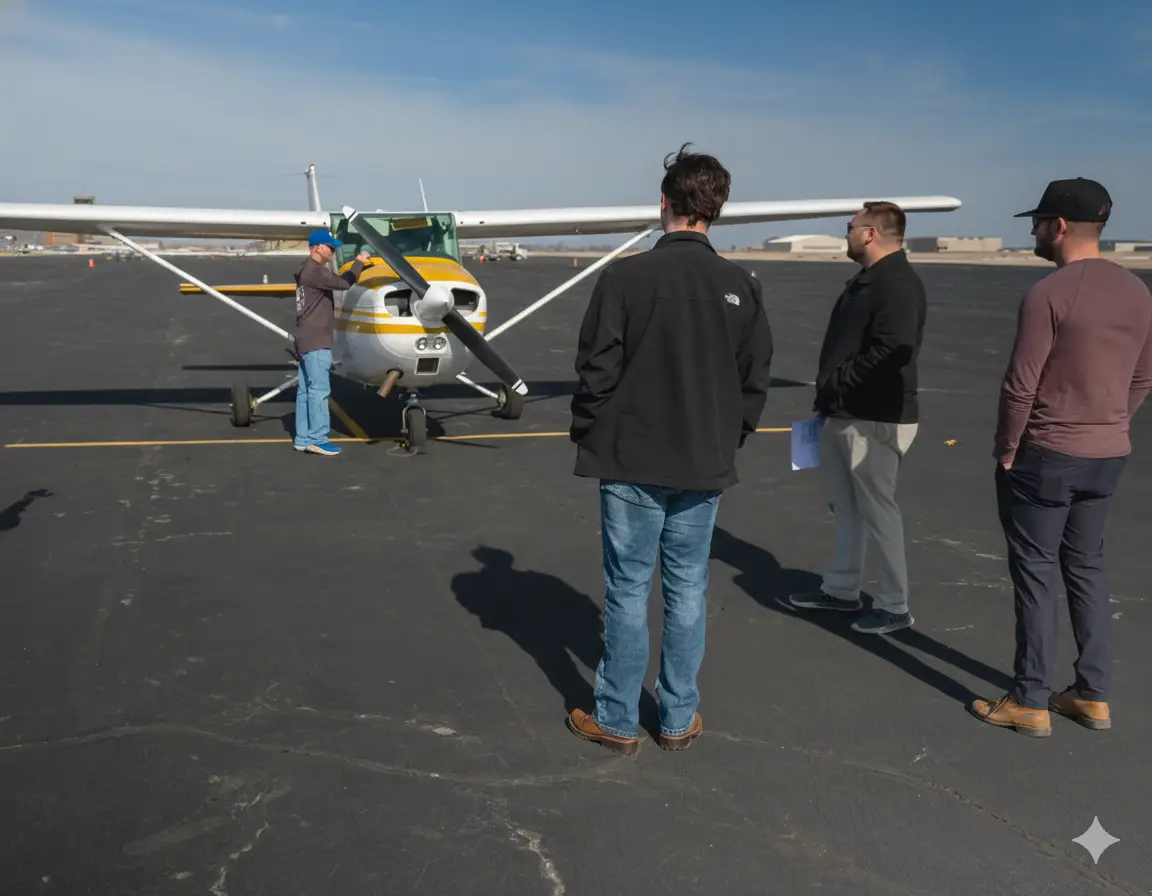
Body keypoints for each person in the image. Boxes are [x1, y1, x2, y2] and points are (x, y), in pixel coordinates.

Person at [565, 143, 775, 754]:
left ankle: (617, 719)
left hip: (632, 459)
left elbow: (596, 369)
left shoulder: (625, 278)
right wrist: (728, 438)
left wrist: (590, 430)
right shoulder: (741, 285)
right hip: (704, 464)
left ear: (665, 203)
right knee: (686, 589)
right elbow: (754, 378)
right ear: (716, 209)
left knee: (629, 589)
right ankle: (678, 717)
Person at [969, 178, 1152, 737]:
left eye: (1038, 222)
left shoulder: (1049, 293)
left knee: (1036, 573)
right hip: (1108, 453)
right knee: (1087, 568)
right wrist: (1112, 421)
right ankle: (1092, 694)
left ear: (1061, 226)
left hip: (1047, 455)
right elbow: (1143, 376)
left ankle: (1030, 699)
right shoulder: (1138, 292)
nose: (1033, 231)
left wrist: (1006, 450)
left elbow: (1020, 385)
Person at [786, 201, 926, 634]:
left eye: (849, 226)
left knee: (878, 510)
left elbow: (891, 349)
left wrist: (839, 381)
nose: (845, 233)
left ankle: (894, 604)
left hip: (874, 415)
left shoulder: (896, 283)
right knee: (846, 507)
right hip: (844, 411)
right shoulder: (870, 279)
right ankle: (842, 589)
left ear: (870, 233)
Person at [292, 229, 369, 455]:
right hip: (317, 340)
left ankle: (303, 438)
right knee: (319, 390)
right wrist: (359, 262)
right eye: (329, 247)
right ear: (316, 248)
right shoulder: (315, 271)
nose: (333, 251)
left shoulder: (306, 270)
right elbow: (344, 283)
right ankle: (318, 438)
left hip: (305, 337)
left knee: (306, 391)